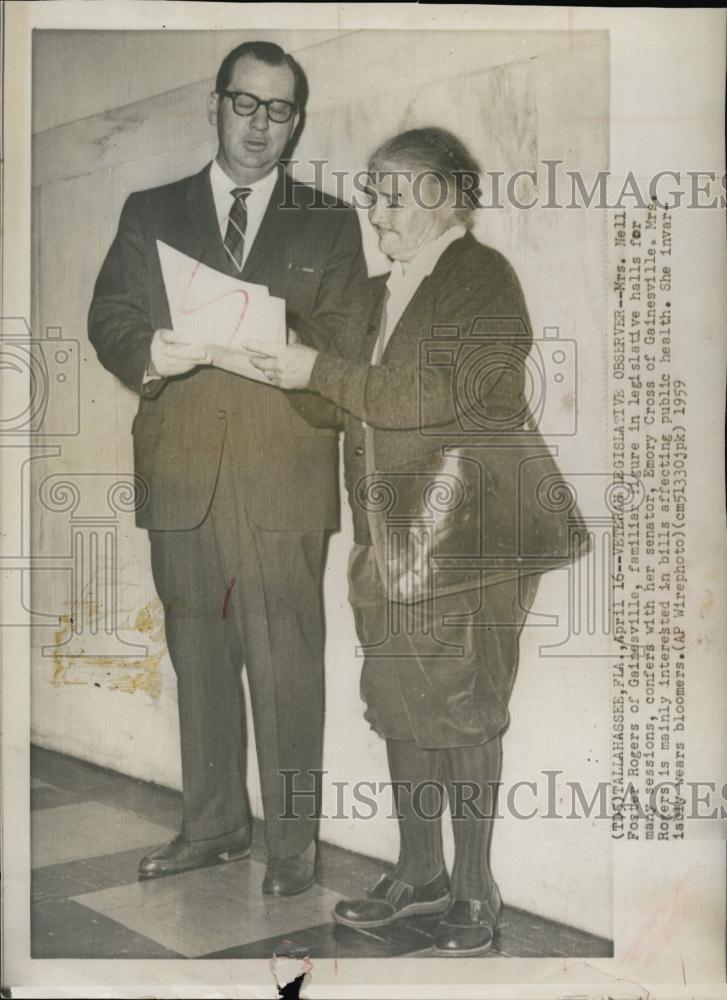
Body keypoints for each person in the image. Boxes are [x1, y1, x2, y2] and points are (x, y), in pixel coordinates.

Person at [243, 127, 588, 953]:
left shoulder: (480, 277)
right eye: (371, 193)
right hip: (391, 543)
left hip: (466, 537)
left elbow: (435, 392)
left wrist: (318, 372)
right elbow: (341, 401)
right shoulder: (373, 292)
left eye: (390, 192)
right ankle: (420, 874)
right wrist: (272, 358)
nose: (375, 208)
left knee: (464, 715)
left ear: (442, 196)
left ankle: (474, 892)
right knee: (400, 708)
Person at [88, 41, 365, 895]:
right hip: (181, 478)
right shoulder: (150, 210)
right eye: (245, 104)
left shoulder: (330, 221)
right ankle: (210, 827)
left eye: (279, 111)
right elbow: (110, 316)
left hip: (282, 477)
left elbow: (349, 344)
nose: (260, 126)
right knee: (198, 658)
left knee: (287, 667)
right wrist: (152, 353)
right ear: (214, 106)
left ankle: (290, 850)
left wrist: (296, 352)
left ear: (297, 122)